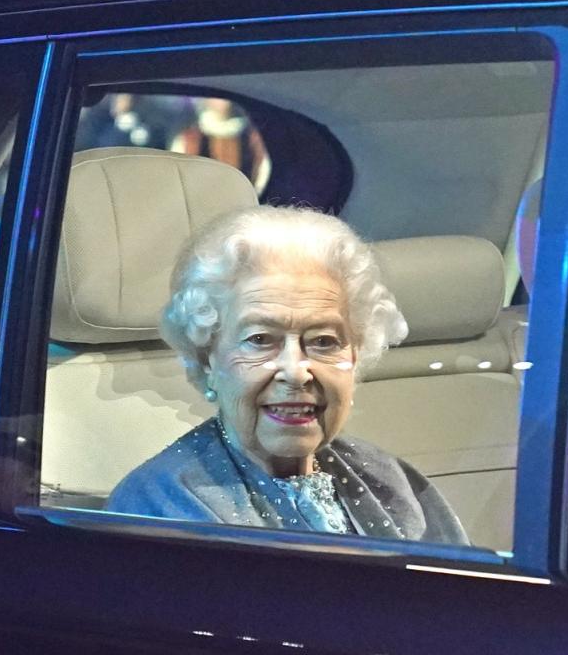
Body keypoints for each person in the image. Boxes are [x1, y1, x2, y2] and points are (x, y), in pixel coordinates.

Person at [105, 206, 468, 544]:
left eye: (324, 341)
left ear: (355, 357)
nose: (296, 372)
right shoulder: (157, 508)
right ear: (207, 362)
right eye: (260, 340)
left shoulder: (388, 479)